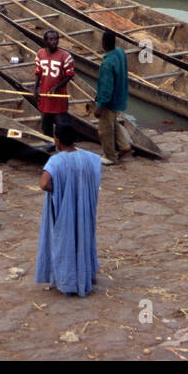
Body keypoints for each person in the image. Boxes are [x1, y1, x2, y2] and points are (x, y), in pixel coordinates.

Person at [34, 123, 101, 297]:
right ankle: (87, 275)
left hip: (64, 208)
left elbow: (43, 184)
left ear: (57, 140)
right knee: (83, 237)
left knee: (64, 240)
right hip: (83, 207)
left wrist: (58, 190)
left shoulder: (56, 160)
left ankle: (67, 280)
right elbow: (95, 177)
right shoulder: (90, 157)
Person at [88, 30, 132, 165]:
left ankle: (110, 156)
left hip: (109, 101)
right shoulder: (120, 52)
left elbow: (106, 89)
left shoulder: (107, 64)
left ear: (103, 44)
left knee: (105, 129)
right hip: (119, 98)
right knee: (112, 122)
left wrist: (100, 107)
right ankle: (124, 146)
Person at [33, 29, 74, 138]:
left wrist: (57, 87)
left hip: (58, 98)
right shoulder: (40, 54)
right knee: (46, 125)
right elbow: (38, 72)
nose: (54, 42)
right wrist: (35, 89)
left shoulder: (65, 56)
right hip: (45, 96)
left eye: (56, 39)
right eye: (51, 39)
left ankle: (64, 146)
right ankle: (50, 144)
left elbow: (69, 75)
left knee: (62, 125)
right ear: (45, 41)